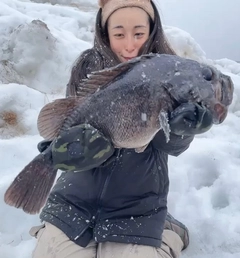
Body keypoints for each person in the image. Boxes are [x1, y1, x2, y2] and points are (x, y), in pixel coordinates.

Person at [30, 1, 213, 257]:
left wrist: (183, 130)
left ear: (152, 31)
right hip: (72, 205)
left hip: (136, 210)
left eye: (139, 33)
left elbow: (173, 146)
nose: (129, 45)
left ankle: (168, 233)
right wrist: (64, 150)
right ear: (105, 33)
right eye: (118, 34)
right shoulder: (86, 67)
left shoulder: (173, 73)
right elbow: (67, 122)